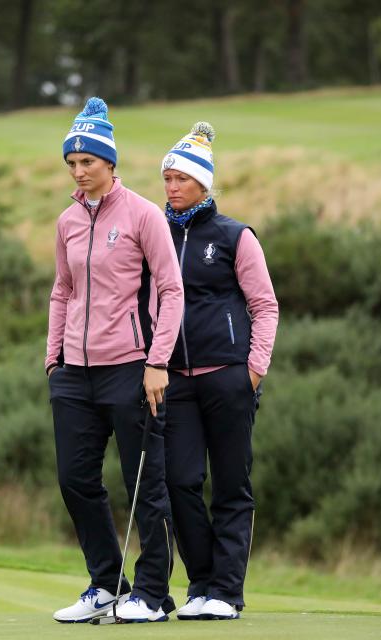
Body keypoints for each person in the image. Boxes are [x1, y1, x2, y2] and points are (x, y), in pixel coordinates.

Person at [46, 97, 184, 623]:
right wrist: (52, 357)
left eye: (88, 163)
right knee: (74, 479)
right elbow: (62, 290)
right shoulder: (66, 221)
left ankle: (151, 592)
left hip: (132, 367)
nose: (79, 173)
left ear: (110, 163)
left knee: (145, 483)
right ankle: (105, 584)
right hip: (74, 375)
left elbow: (172, 291)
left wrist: (157, 361)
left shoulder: (144, 214)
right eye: (72, 164)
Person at [158, 122, 279, 621]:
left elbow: (265, 306)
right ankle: (202, 585)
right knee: (181, 481)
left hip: (228, 375)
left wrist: (252, 371)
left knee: (231, 484)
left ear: (204, 183)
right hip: (175, 379)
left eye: (181, 178)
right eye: (166, 178)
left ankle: (227, 593)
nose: (172, 186)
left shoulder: (235, 236)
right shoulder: (156, 232)